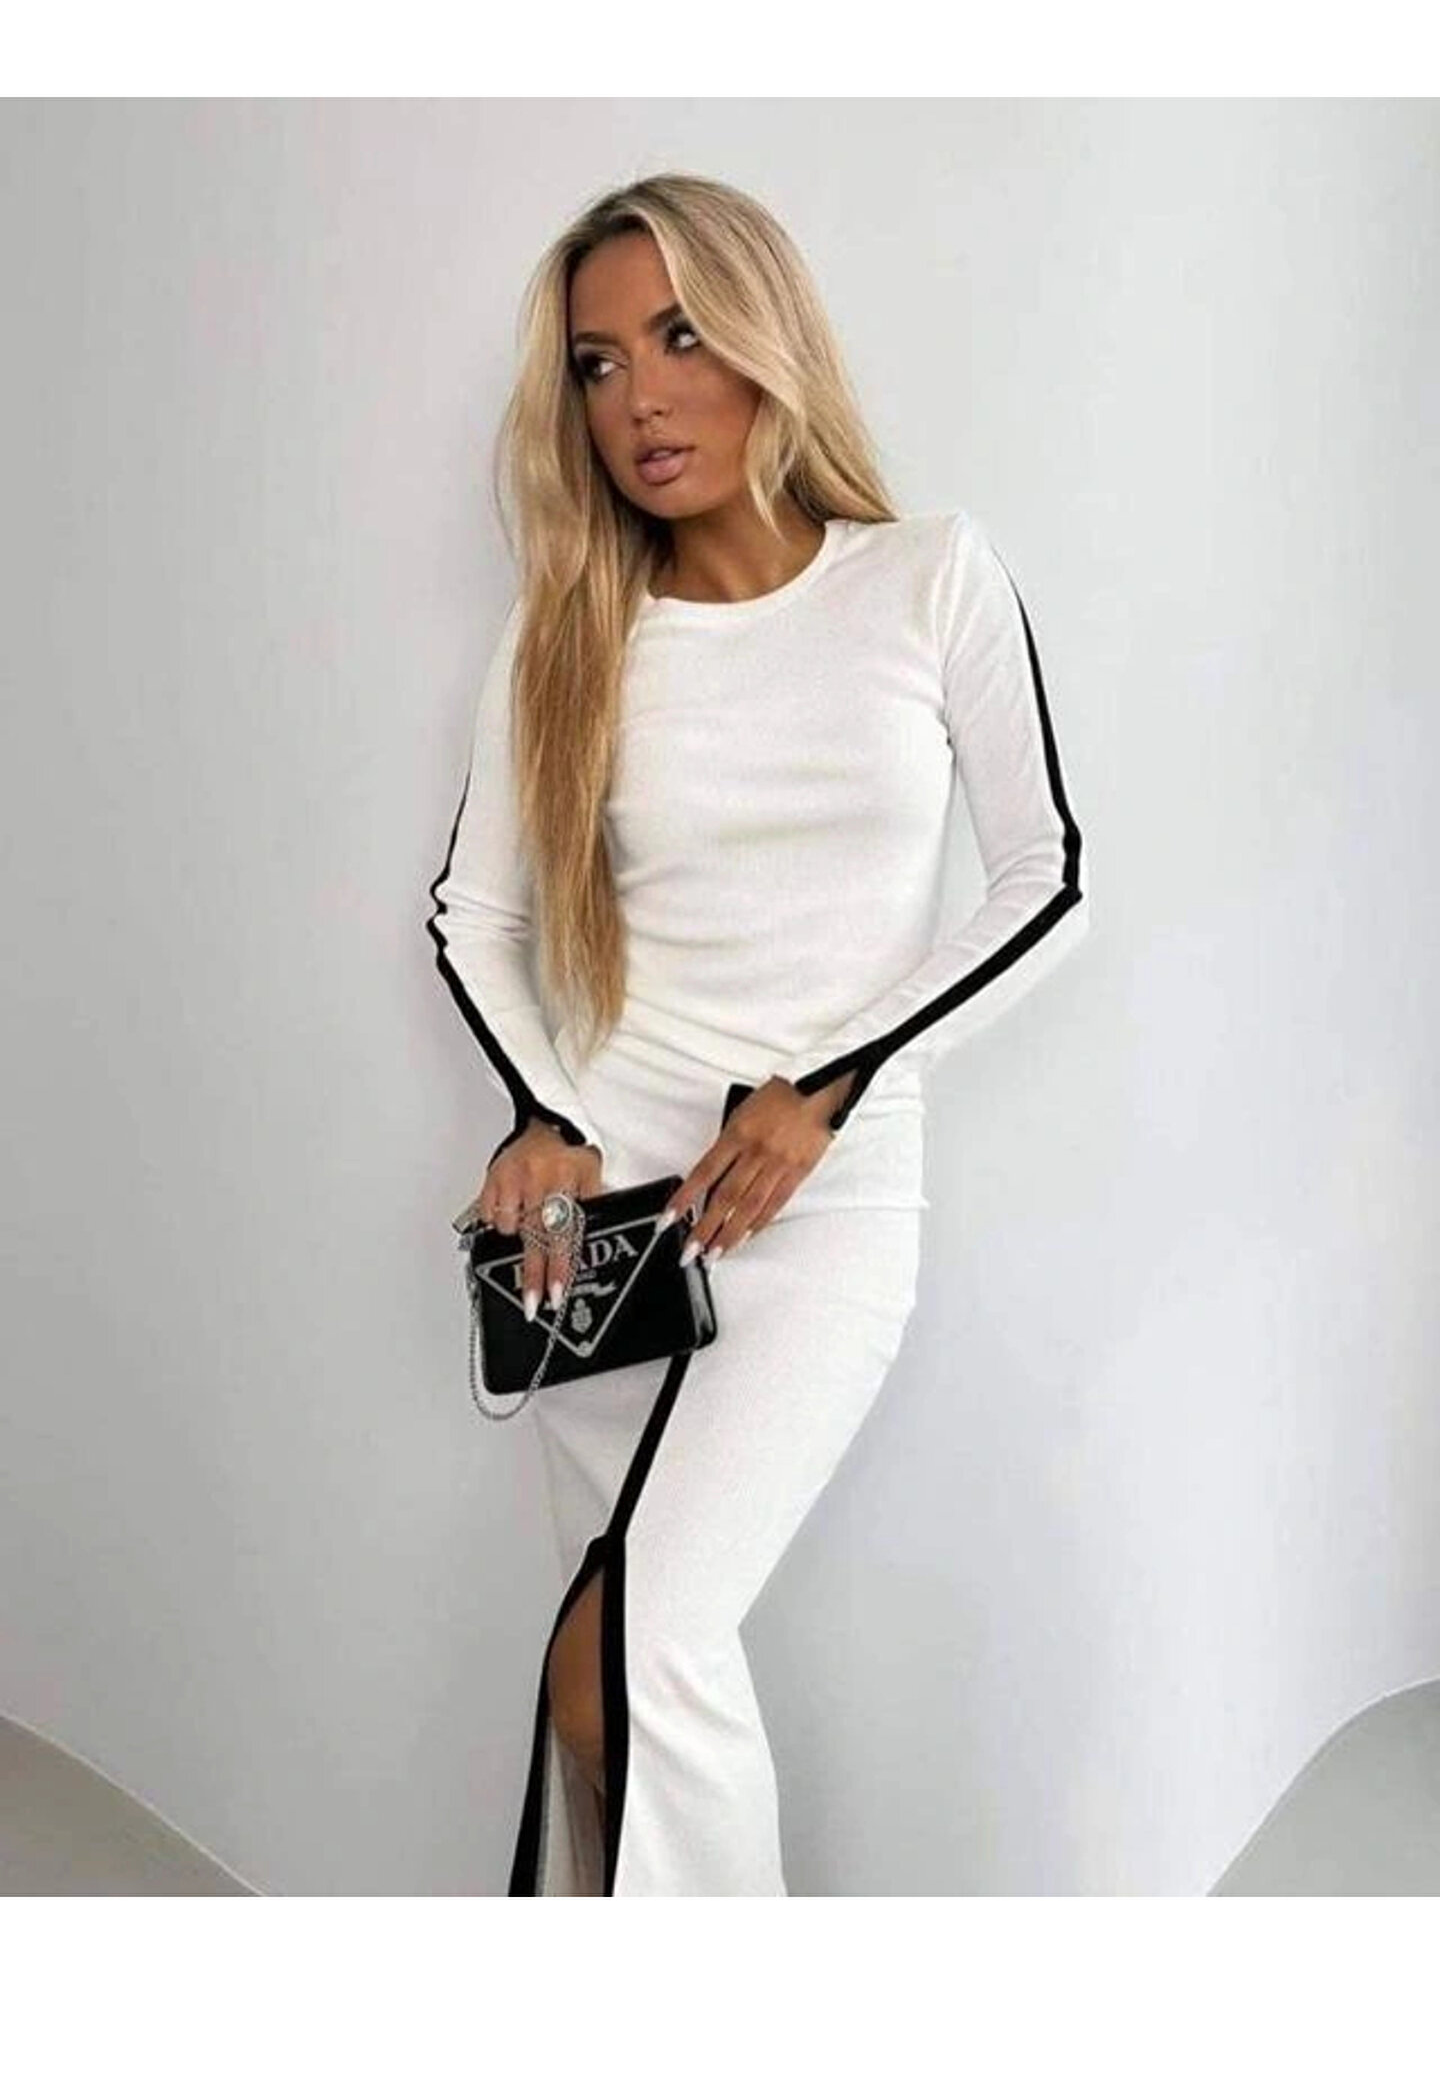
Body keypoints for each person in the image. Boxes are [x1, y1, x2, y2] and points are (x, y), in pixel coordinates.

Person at [425, 172, 1089, 1896]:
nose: (642, 398)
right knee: (616, 1690)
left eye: (681, 337)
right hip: (613, 1232)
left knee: (628, 1662)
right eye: (598, 364)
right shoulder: (567, 632)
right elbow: (473, 916)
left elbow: (1045, 878)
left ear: (765, 340)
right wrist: (543, 1115)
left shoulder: (930, 579)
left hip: (821, 1207)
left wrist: (833, 1090)